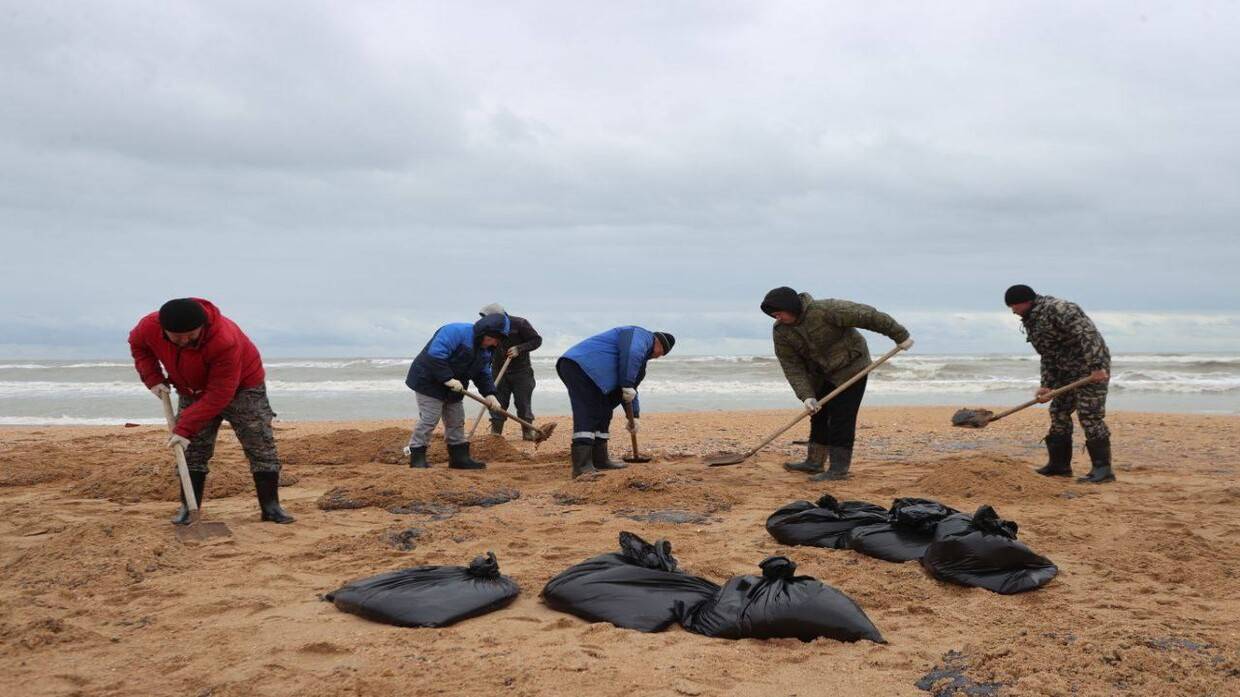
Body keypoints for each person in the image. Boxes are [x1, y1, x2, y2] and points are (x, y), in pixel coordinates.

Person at [129, 297, 294, 524]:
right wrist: (153, 378)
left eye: (191, 335)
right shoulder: (148, 327)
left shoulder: (224, 340)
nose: (185, 341)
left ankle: (271, 508)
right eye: (177, 337)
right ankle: (189, 508)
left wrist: (185, 427)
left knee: (260, 445)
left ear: (203, 326)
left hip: (243, 389)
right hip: (191, 389)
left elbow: (220, 393)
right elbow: (139, 347)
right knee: (193, 450)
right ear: (163, 330)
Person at [761, 286, 913, 481]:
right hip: (819, 373)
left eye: (779, 313)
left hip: (852, 368)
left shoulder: (827, 310)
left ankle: (838, 469)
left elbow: (868, 316)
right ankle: (814, 462)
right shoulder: (781, 331)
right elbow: (792, 366)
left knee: (842, 417)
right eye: (774, 315)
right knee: (818, 414)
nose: (777, 318)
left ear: (791, 307)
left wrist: (900, 335)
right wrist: (806, 395)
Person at [1005, 284, 1115, 483]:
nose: (1013, 311)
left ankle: (1103, 470)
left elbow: (1088, 334)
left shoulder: (1059, 308)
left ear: (1026, 301)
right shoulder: (1031, 319)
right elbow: (1048, 354)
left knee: (1089, 415)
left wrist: (1097, 366)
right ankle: (1059, 466)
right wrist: (1047, 385)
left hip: (1090, 368)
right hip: (1065, 370)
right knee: (1058, 412)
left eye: (1014, 306)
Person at [557, 327, 675, 478]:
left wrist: (634, 416)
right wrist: (626, 383)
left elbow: (631, 391)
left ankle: (600, 459)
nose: (658, 357)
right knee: (587, 412)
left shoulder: (640, 363)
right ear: (658, 342)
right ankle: (582, 467)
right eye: (661, 353)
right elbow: (631, 354)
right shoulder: (640, 335)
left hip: (597, 376)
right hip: (581, 366)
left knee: (604, 411)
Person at [403, 313, 507, 469]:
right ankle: (417, 456)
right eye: (491, 339)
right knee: (430, 418)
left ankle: (459, 458)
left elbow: (483, 373)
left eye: (496, 342)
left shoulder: (487, 350)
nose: (492, 344)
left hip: (456, 385)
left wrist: (490, 394)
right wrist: (447, 378)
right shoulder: (455, 332)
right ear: (484, 333)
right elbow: (435, 356)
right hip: (428, 380)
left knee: (456, 419)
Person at [477, 303, 543, 440]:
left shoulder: (520, 323)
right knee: (497, 403)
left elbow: (536, 340)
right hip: (497, 370)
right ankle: (495, 434)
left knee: (523, 403)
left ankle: (528, 433)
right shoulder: (486, 328)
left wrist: (520, 348)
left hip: (521, 371)